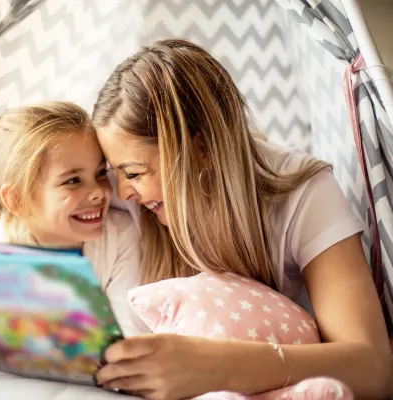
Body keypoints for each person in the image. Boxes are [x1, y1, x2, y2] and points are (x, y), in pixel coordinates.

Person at [91, 38, 393, 400]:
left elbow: (375, 368)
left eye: (135, 173)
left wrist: (221, 366)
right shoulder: (119, 194)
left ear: (199, 149)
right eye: (117, 173)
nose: (122, 192)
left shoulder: (302, 193)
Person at [0, 101, 147, 337]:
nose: (98, 191)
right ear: (17, 200)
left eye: (100, 173)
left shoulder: (120, 238)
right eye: (73, 181)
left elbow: (130, 336)